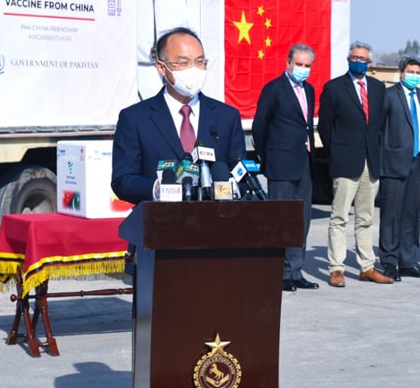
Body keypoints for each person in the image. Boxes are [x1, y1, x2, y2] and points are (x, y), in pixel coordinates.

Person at [111, 27, 246, 204]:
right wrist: (161, 189)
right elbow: (123, 181)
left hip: (215, 222)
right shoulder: (135, 118)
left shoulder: (227, 117)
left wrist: (223, 189)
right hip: (159, 223)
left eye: (199, 62)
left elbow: (241, 177)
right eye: (183, 63)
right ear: (161, 67)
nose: (193, 69)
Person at [318, 41, 392, 287]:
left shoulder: (378, 87)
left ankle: (367, 266)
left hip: (371, 162)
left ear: (369, 62)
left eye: (363, 58)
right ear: (348, 59)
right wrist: (337, 151)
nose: (359, 61)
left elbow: (378, 124)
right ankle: (336, 268)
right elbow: (325, 127)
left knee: (366, 218)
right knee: (339, 217)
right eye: (355, 57)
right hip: (345, 161)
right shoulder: (334, 88)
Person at [252, 44, 318, 292]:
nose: (303, 69)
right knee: (281, 220)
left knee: (302, 221)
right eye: (299, 64)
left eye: (307, 65)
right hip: (280, 164)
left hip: (303, 163)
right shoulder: (274, 89)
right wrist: (268, 157)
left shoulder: (309, 90)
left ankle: (295, 271)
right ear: (288, 63)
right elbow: (260, 127)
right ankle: (279, 273)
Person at [378, 56, 420, 281]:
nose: (413, 76)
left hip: (416, 162)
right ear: (401, 73)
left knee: (411, 215)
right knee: (392, 215)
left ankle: (408, 261)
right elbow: (378, 129)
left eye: (417, 72)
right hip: (393, 163)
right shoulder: (389, 95)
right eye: (410, 71)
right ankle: (390, 262)